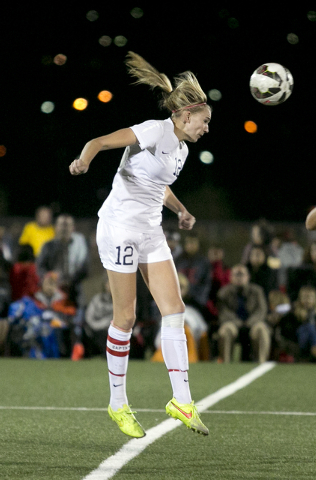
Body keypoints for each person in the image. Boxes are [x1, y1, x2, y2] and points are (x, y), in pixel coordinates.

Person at [69, 51, 211, 437]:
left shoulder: (179, 149)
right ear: (184, 116)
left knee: (174, 308)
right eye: (204, 121)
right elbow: (98, 141)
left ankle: (182, 400)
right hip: (120, 228)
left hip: (150, 230)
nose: (206, 128)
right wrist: (83, 161)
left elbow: (156, 184)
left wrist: (180, 209)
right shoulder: (155, 130)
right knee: (126, 317)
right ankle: (118, 404)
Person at [217, 264, 270, 363]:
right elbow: (223, 312)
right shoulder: (224, 292)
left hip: (253, 324)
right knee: (226, 330)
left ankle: (261, 363)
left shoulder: (257, 291)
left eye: (242, 275)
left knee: (261, 329)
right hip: (233, 324)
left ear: (248, 277)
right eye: (236, 275)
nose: (239, 278)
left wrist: (250, 322)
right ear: (231, 277)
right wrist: (237, 322)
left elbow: (261, 310)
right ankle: (226, 363)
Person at [36, 214, 89, 307]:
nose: (64, 228)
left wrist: (70, 280)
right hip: (52, 293)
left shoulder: (79, 247)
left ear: (73, 228)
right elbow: (40, 266)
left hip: (74, 292)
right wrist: (49, 279)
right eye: (61, 225)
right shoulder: (48, 246)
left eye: (67, 225)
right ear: (56, 227)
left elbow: (85, 268)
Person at [276, 285, 316, 362]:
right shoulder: (293, 311)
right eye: (304, 298)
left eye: (310, 298)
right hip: (297, 343)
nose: (307, 301)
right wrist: (301, 320)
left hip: (311, 343)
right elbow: (286, 331)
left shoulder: (314, 313)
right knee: (309, 327)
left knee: (311, 328)